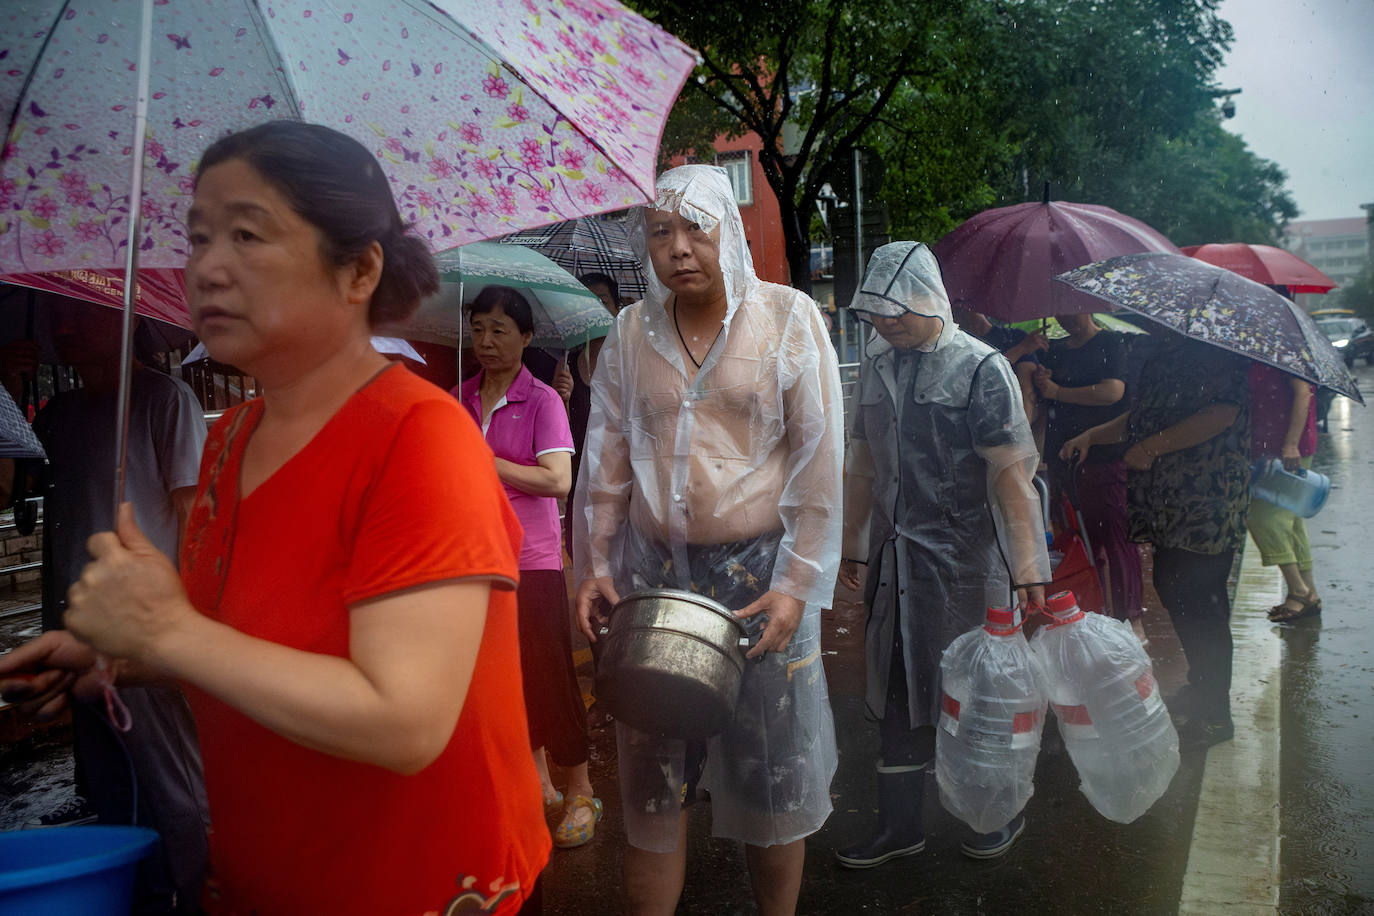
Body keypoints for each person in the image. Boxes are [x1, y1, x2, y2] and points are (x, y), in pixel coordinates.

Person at [0, 121, 549, 915]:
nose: (206, 268)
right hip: (270, 876)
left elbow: (404, 719)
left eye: (247, 234)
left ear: (358, 269)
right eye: (196, 237)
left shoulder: (421, 439)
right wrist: (112, 657)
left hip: (419, 884)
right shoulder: (230, 444)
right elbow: (246, 647)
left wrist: (168, 634)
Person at [572, 164, 843, 916]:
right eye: (662, 232)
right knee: (650, 774)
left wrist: (796, 585)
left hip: (760, 580)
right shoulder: (630, 334)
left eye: (697, 228)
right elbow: (606, 462)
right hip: (653, 578)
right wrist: (595, 564)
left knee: (771, 774)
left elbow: (819, 465)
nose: (679, 248)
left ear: (730, 230)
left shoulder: (788, 320)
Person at [834, 242, 1050, 867]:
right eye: (875, 311)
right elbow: (864, 463)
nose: (886, 321)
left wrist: (1029, 565)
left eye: (898, 308)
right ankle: (900, 826)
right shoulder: (876, 366)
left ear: (931, 299)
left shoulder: (981, 368)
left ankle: (992, 818)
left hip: (963, 566)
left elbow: (1012, 474)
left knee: (975, 696)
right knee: (899, 694)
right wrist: (855, 546)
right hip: (896, 565)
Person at [0, 300, 210, 914]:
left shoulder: (165, 400)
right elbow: (21, 487)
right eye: (57, 317)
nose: (65, 328)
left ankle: (195, 894)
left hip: (141, 629)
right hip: (74, 623)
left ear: (126, 323)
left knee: (168, 781)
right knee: (108, 782)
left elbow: (194, 519)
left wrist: (182, 624)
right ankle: (134, 893)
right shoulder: (62, 413)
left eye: (84, 316)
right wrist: (9, 388)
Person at [454, 284, 599, 849]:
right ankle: (538, 784)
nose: (486, 341)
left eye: (500, 330)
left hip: (531, 561)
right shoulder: (457, 399)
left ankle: (582, 789)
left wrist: (487, 464)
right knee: (501, 680)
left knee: (549, 676)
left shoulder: (542, 401)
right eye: (479, 328)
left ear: (526, 337)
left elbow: (557, 480)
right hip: (474, 559)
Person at [1062, 330, 1250, 750]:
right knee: (1175, 588)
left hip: (1206, 500)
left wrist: (1152, 446)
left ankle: (1216, 715)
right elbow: (1144, 415)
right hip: (1170, 501)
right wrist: (1093, 435)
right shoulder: (1166, 351)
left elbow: (1223, 412)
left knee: (1201, 603)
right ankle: (1202, 686)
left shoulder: (1217, 353)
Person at [1033, 313, 1145, 640]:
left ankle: (1131, 618)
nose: (1067, 318)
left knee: (1116, 537)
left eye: (1073, 308)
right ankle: (1091, 614)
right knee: (1079, 541)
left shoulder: (1111, 343)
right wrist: (1043, 381)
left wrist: (1057, 391)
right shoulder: (1054, 349)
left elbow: (1112, 392)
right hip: (1062, 458)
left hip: (1105, 457)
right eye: (1060, 311)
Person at [1246, 362, 1321, 622]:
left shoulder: (1283, 350)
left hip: (1286, 450)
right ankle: (1309, 592)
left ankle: (1299, 590)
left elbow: (1304, 393)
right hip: (1265, 446)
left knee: (1263, 518)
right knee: (1291, 520)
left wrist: (1290, 444)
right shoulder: (1255, 349)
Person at [950, 304, 1046, 424]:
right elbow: (971, 380)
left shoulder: (1014, 337)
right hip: (975, 415)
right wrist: (1021, 349)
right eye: (956, 309)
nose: (963, 311)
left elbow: (1026, 384)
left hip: (1014, 414)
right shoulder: (957, 346)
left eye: (967, 305)